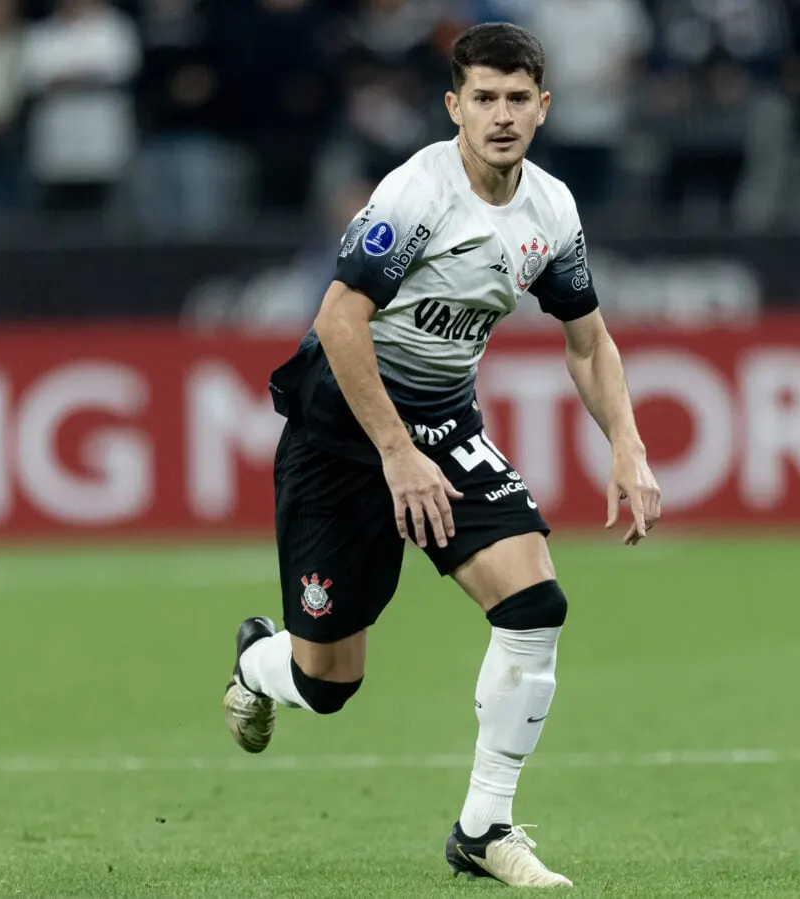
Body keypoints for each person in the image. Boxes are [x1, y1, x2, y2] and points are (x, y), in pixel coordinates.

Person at [222, 21, 661, 889]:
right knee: (329, 679)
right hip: (342, 428)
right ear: (454, 106)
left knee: (535, 602)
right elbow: (337, 321)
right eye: (484, 99)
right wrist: (393, 451)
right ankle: (258, 661)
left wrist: (630, 446)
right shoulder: (413, 197)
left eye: (517, 100)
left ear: (544, 107)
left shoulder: (553, 209)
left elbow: (587, 340)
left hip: (442, 422)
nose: (501, 116)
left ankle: (482, 827)